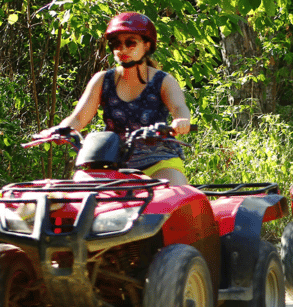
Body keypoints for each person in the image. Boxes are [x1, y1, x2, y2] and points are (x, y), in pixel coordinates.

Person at [39, 12, 191, 185]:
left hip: (159, 162)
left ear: (147, 46)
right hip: (111, 164)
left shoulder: (163, 81)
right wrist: (60, 130)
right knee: (80, 191)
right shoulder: (102, 80)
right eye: (116, 44)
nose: (123, 49)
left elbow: (179, 107)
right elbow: (79, 118)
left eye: (130, 43)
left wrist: (181, 120)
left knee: (173, 191)